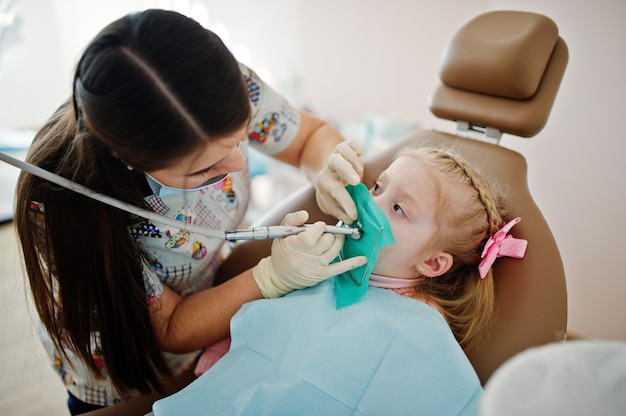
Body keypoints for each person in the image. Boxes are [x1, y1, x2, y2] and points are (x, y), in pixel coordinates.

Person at [14, 9, 366, 414]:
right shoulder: (66, 209)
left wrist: (328, 167)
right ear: (130, 159)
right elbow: (170, 326)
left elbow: (308, 139)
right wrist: (272, 276)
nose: (237, 164)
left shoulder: (221, 90)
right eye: (204, 168)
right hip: (129, 365)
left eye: (240, 137)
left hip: (209, 311)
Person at [181, 145, 528, 416]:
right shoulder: (318, 264)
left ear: (433, 263)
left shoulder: (420, 333)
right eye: (378, 187)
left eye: (398, 209)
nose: (371, 204)